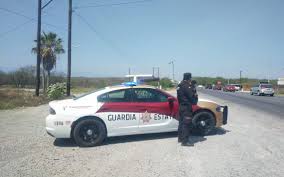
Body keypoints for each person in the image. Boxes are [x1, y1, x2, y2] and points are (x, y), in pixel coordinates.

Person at [177, 73, 195, 146]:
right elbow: (191, 97)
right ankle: (185, 141)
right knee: (186, 124)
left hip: (181, 106)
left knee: (181, 123)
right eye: (190, 78)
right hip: (187, 108)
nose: (190, 79)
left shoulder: (180, 85)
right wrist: (194, 91)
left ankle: (180, 138)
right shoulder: (186, 86)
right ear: (189, 78)